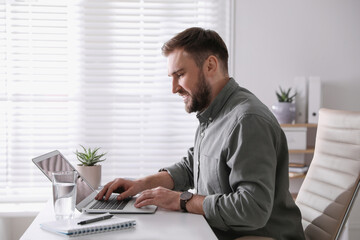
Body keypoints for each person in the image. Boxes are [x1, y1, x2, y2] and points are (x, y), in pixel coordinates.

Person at [95, 27, 305, 240]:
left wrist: (182, 200)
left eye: (180, 74)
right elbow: (192, 166)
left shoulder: (247, 120)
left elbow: (252, 209)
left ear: (210, 65)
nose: (174, 88)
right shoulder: (213, 115)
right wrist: (142, 184)